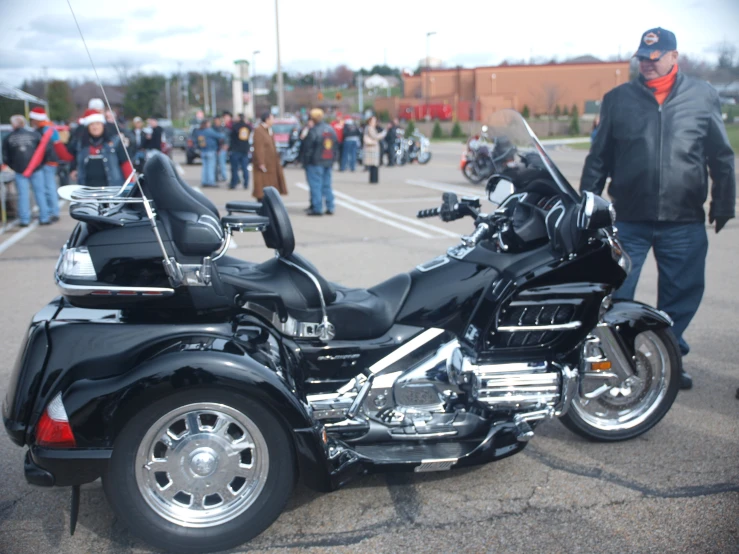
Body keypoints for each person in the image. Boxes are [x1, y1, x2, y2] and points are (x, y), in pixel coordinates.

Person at [580, 27, 736, 390]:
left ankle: (670, 358)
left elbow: (721, 156)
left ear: (673, 57)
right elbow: (598, 159)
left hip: (684, 220)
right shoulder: (618, 99)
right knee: (613, 294)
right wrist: (585, 205)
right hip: (629, 219)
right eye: (642, 59)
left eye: (655, 58)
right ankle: (619, 359)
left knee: (681, 296)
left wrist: (724, 201)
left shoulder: (703, 95)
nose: (648, 64)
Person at [1, 115, 52, 226]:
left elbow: (5, 157)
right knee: (40, 193)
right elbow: (44, 151)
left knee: (23, 195)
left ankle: (24, 220)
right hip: (36, 169)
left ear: (13, 124)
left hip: (20, 170)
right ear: (24, 123)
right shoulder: (35, 135)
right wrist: (40, 164)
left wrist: (14, 166)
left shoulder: (8, 138)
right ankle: (44, 218)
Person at [27, 107, 74, 223]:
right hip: (50, 161)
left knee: (47, 188)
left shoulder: (44, 130)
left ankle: (51, 212)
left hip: (46, 162)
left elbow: (51, 146)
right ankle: (53, 212)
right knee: (49, 187)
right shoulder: (50, 128)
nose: (31, 121)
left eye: (32, 119)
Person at [67, 109, 133, 188]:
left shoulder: (115, 142)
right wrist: (73, 168)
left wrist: (131, 183)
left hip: (112, 188)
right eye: (92, 125)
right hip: (87, 189)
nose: (95, 127)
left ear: (102, 125)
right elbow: (72, 157)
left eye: (98, 124)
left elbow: (125, 163)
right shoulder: (81, 144)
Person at [302, 108, 338, 216]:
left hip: (315, 162)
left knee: (316, 186)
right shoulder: (330, 129)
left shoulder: (313, 131)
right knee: (327, 185)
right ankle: (330, 206)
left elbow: (308, 149)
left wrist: (305, 162)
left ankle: (317, 208)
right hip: (328, 160)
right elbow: (335, 146)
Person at [252, 111, 288, 201]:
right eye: (272, 119)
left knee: (271, 183)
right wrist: (261, 162)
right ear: (267, 119)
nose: (273, 121)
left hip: (271, 163)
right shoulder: (259, 131)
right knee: (263, 184)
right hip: (265, 164)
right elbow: (258, 148)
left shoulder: (268, 130)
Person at [192, 119, 222, 188]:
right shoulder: (209, 131)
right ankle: (211, 182)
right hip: (210, 151)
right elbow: (219, 136)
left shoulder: (199, 131)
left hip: (203, 151)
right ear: (206, 124)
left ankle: (204, 181)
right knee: (211, 167)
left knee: (205, 167)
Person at [229, 114, 252, 190]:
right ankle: (246, 184)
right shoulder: (248, 127)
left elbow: (231, 136)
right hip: (245, 150)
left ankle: (234, 183)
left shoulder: (235, 126)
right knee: (245, 168)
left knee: (234, 168)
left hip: (235, 150)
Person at [363, 115, 387, 184]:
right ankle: (373, 180)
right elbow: (375, 136)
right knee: (374, 165)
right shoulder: (370, 128)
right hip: (372, 148)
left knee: (374, 165)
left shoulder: (369, 128)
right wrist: (382, 134)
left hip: (372, 148)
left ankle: (373, 179)